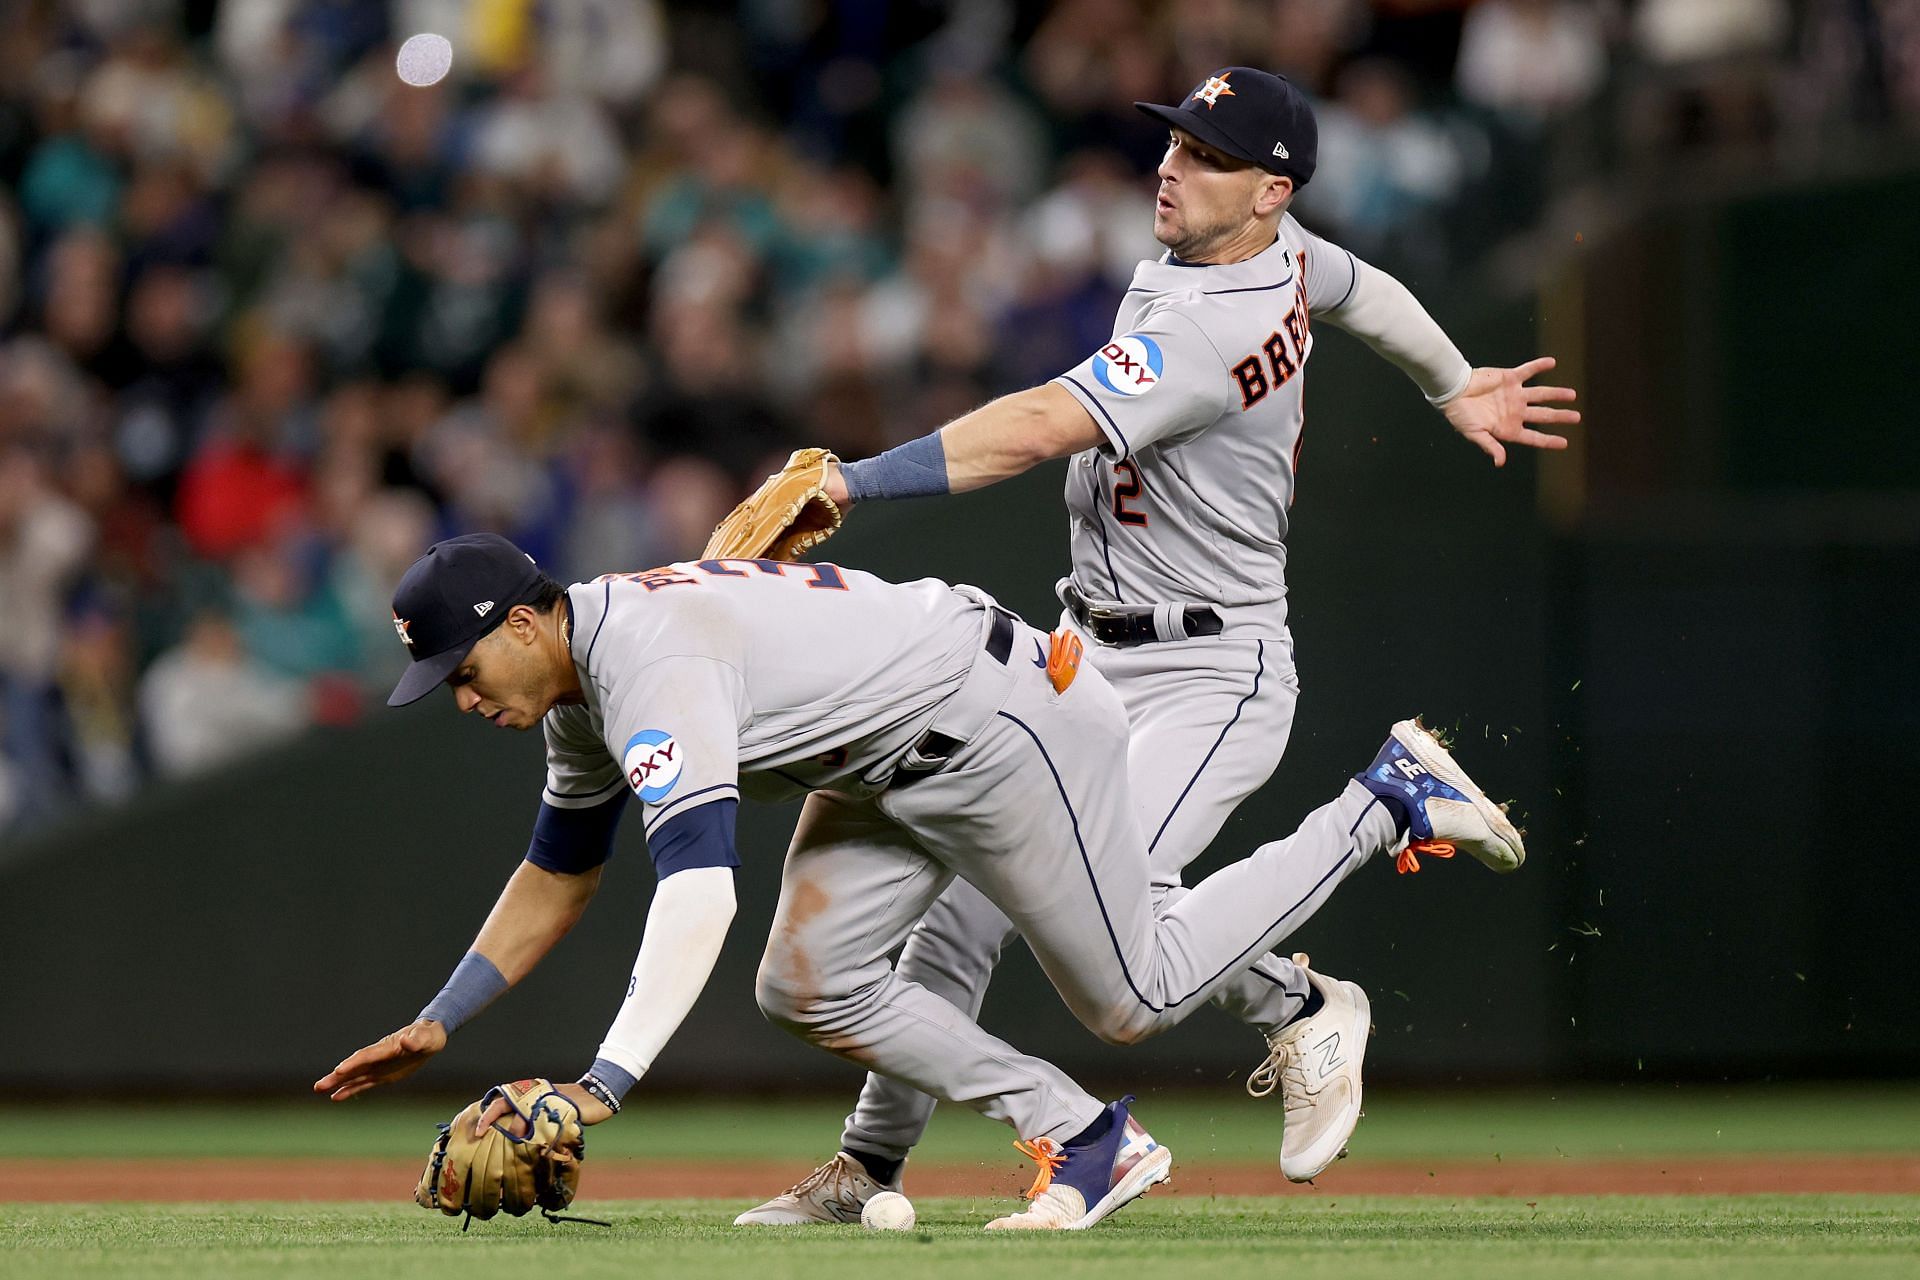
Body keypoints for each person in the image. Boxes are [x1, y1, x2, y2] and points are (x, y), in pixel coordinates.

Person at [739, 65, 1577, 1224]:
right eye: (1178, 141)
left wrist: (852, 476)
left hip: (1204, 674)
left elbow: (1036, 426)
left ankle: (1384, 804)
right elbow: (1361, 286)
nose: (1175, 166)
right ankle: (870, 1166)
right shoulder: (1269, 257)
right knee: (974, 912)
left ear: (1272, 189)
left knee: (1121, 983)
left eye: (1211, 156)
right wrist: (1451, 384)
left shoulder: (1216, 321)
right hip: (1087, 652)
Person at [314, 533, 1524, 1231]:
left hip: (1001, 723)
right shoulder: (581, 683)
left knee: (1135, 989)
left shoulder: (648, 660)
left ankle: (1381, 803)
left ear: (524, 621)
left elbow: (699, 892)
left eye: (462, 667)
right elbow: (559, 871)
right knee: (808, 980)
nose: (461, 696)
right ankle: (1078, 1133)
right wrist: (442, 1016)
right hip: (891, 755)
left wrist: (603, 1084)